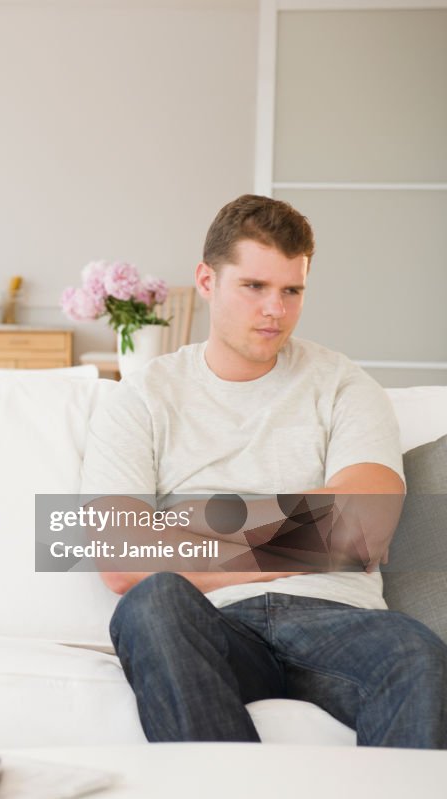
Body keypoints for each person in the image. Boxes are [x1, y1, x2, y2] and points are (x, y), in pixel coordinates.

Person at [82, 193, 447, 747]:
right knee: (151, 604)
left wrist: (189, 530)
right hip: (213, 626)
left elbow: (362, 525)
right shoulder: (142, 398)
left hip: (338, 619)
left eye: (291, 290)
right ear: (207, 281)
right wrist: (311, 529)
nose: (275, 309)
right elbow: (120, 558)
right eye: (254, 287)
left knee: (415, 650)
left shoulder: (344, 385)